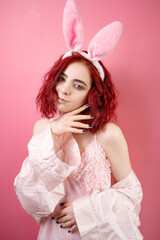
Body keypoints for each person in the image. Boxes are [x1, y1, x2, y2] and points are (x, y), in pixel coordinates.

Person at [14, 0, 143, 239]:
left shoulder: (108, 134)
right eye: (61, 79)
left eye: (78, 85)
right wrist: (55, 132)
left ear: (91, 94)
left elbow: (131, 195)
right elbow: (30, 197)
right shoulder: (42, 129)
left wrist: (85, 211)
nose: (63, 90)